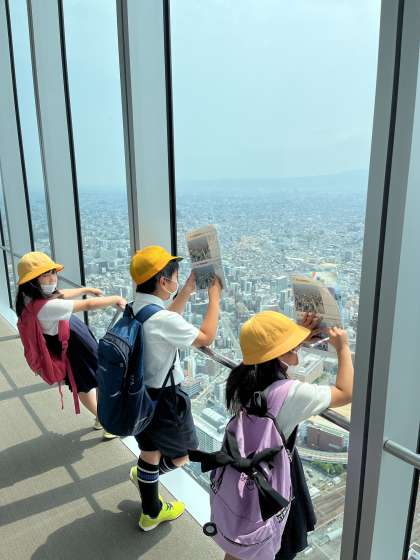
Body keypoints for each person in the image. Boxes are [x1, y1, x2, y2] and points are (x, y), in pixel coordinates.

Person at [221, 310, 354, 560]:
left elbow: (267, 356)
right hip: (275, 476)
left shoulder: (242, 379)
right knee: (272, 544)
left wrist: (293, 341)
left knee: (243, 538)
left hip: (246, 469)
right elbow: (345, 392)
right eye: (291, 345)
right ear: (280, 353)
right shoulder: (290, 394)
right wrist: (343, 347)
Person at [127, 245, 222, 531]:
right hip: (166, 399)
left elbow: (165, 319)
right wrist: (214, 297)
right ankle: (148, 484)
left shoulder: (135, 309)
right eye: (176, 277)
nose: (177, 281)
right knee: (186, 452)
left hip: (139, 394)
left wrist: (188, 290)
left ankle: (150, 506)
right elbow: (205, 337)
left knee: (149, 450)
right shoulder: (162, 320)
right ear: (163, 281)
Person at [16, 251, 126, 437]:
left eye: (53, 273)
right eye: (45, 275)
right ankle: (104, 420)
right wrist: (116, 299)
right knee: (84, 383)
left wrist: (85, 290)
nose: (52, 278)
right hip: (74, 347)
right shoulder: (46, 308)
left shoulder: (29, 297)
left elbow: (60, 294)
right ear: (32, 281)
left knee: (90, 379)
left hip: (69, 341)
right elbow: (88, 305)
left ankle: (102, 416)